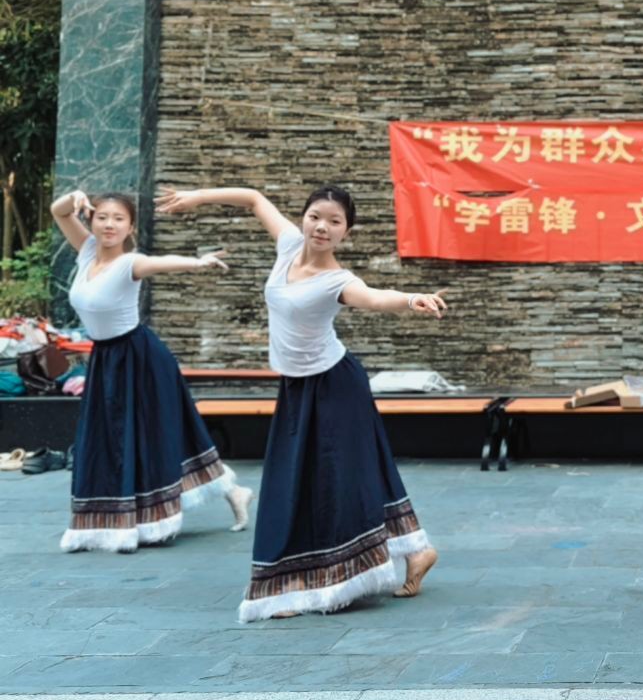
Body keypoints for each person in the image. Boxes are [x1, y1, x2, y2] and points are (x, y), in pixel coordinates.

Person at [155, 184, 446, 621]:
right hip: (297, 388)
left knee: (337, 477)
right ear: (304, 218)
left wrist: (410, 300)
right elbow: (254, 198)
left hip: (334, 387)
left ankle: (323, 578)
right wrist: (196, 197)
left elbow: (372, 298)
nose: (322, 227)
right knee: (339, 473)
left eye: (334, 222)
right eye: (315, 216)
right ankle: (414, 550)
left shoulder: (338, 280)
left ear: (346, 232)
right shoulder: (289, 244)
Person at [51, 189, 252, 552]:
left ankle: (200, 502)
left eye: (119, 219)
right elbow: (58, 211)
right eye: (102, 217)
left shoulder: (130, 263)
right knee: (111, 439)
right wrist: (75, 197)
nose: (109, 225)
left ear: (130, 227)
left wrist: (197, 263)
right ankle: (230, 492)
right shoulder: (87, 251)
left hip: (139, 359)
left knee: (154, 437)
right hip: (106, 360)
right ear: (91, 220)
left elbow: (160, 263)